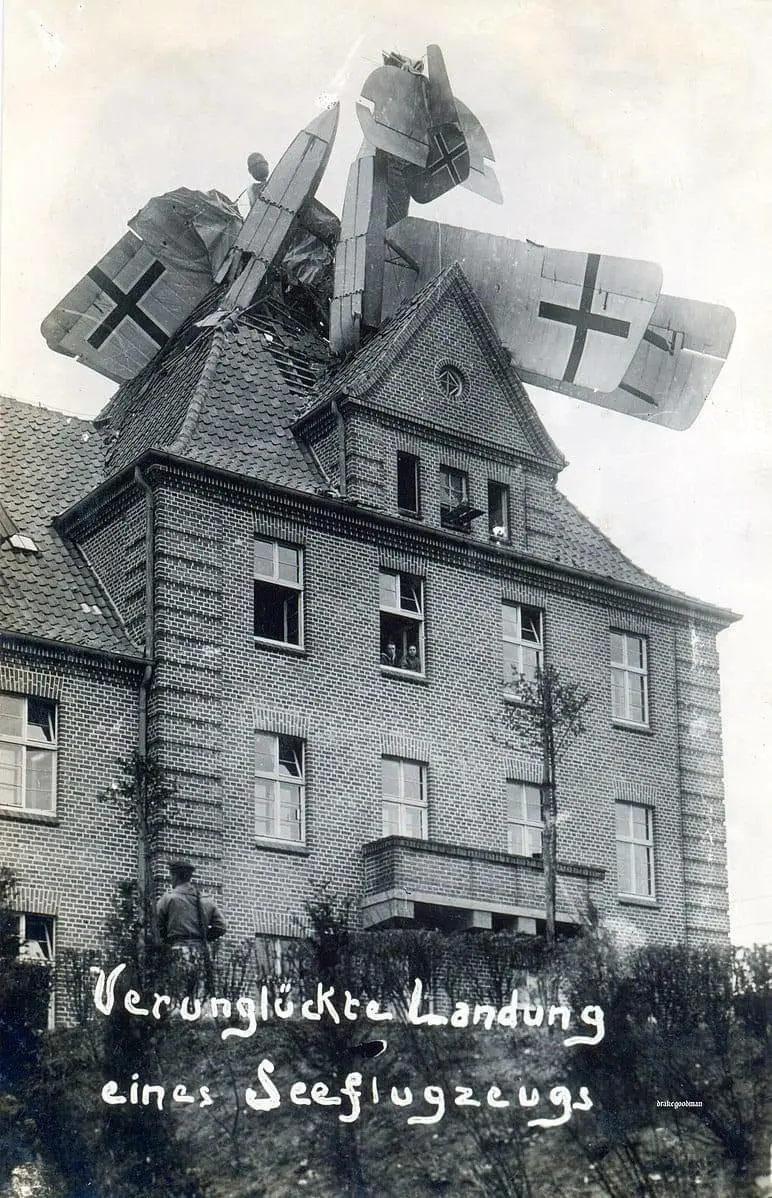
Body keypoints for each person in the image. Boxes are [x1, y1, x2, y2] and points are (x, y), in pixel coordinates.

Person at [157, 862, 226, 996]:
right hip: (201, 951)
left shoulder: (168, 898)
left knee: (176, 996)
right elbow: (221, 926)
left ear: (175, 877)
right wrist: (205, 936)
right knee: (200, 996)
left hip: (177, 951)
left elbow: (156, 925)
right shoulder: (206, 900)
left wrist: (165, 939)